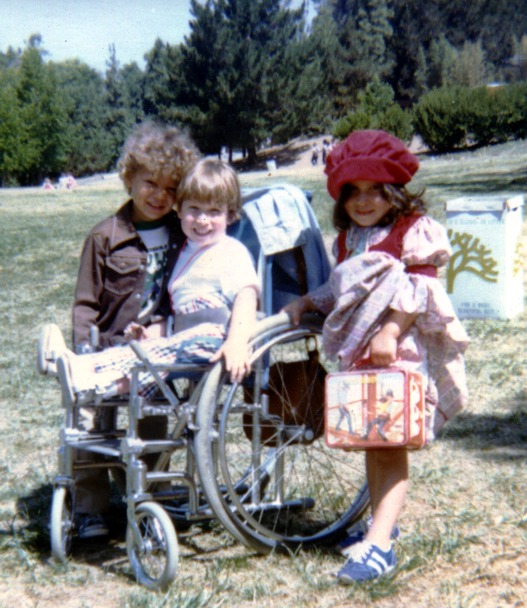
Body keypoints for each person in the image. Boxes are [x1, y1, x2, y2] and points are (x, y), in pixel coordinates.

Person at [283, 129, 468, 583]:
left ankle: (381, 546)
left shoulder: (410, 230)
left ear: (394, 192)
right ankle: (379, 524)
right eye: (354, 193)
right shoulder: (349, 241)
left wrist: (388, 329)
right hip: (362, 354)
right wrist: (308, 302)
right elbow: (342, 289)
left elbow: (419, 289)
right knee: (373, 439)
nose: (364, 202)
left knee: (389, 444)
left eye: (374, 191)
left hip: (394, 350)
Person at [39, 121, 200, 539]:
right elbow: (86, 302)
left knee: (149, 429)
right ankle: (91, 507)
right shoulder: (104, 237)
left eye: (170, 187)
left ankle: (143, 499)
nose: (159, 195)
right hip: (106, 350)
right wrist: (85, 352)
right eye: (150, 183)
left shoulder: (184, 233)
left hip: (154, 354)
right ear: (130, 179)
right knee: (93, 427)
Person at [57, 157, 259, 431]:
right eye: (194, 209)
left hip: (215, 338)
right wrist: (151, 330)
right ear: (179, 210)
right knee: (141, 350)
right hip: (184, 338)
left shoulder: (230, 251)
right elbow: (180, 314)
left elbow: (247, 297)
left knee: (149, 361)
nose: (202, 220)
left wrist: (237, 341)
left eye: (214, 212)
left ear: (231, 215)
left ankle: (90, 382)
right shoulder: (186, 249)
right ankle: (80, 369)